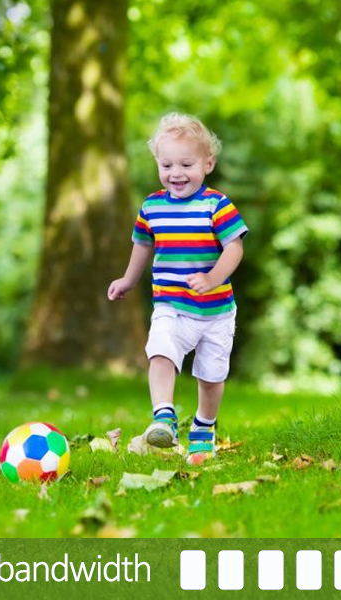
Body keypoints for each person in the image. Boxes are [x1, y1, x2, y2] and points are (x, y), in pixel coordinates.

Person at [106, 113, 248, 465]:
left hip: (215, 311)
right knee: (161, 348)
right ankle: (164, 416)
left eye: (187, 163)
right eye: (167, 164)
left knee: (211, 375)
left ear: (208, 163)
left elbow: (235, 247)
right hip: (171, 303)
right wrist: (128, 279)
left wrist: (213, 278)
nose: (176, 173)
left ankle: (204, 426)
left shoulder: (216, 204)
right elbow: (142, 245)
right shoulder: (152, 206)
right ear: (158, 163)